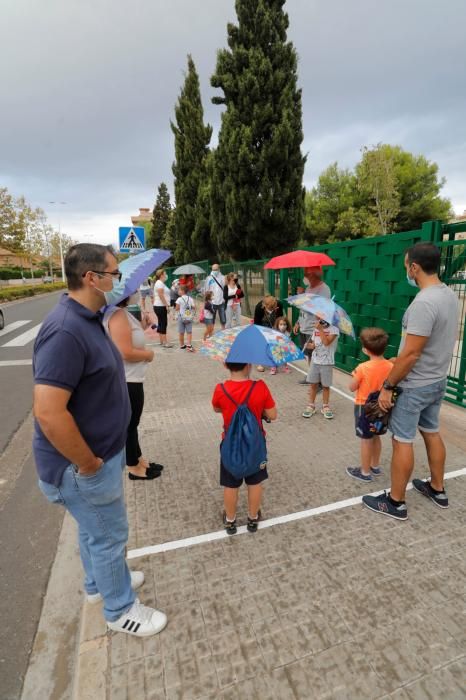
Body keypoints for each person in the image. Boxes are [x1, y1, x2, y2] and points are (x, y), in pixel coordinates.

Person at [33, 243, 167, 637]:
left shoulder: (90, 317)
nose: (118, 280)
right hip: (84, 464)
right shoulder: (64, 330)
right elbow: (48, 411)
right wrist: (88, 463)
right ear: (92, 278)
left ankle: (99, 586)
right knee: (110, 535)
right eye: (113, 273)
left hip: (99, 454)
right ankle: (120, 609)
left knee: (95, 530)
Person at [363, 243, 459, 520]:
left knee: (402, 440)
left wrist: (388, 385)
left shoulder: (424, 302)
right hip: (437, 380)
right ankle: (437, 488)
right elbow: (422, 346)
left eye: (407, 265)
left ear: (414, 267)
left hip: (414, 385)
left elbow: (414, 353)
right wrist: (401, 358)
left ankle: (395, 502)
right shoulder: (449, 296)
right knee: (431, 431)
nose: (406, 270)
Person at [212, 362, 277, 535]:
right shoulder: (260, 387)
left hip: (230, 444)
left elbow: (216, 408)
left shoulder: (220, 389)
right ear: (248, 365)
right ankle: (252, 519)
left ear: (226, 365)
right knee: (255, 482)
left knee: (230, 484)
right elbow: (273, 415)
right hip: (255, 444)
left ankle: (231, 521)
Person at [104, 297, 163, 481]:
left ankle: (138, 459)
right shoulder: (117, 314)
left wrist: (142, 325)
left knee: (133, 423)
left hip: (133, 377)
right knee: (130, 425)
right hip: (127, 379)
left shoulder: (123, 313)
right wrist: (149, 354)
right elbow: (125, 352)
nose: (137, 292)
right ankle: (133, 467)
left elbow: (128, 338)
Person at [346, 328, 393, 482]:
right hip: (382, 407)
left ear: (366, 350)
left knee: (366, 439)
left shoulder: (363, 368)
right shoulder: (390, 366)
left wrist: (354, 378)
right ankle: (375, 466)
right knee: (376, 435)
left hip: (364, 407)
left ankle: (365, 472)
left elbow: (352, 387)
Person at [294, 267, 332, 385]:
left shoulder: (324, 289)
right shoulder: (308, 288)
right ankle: (312, 377)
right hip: (304, 326)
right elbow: (303, 309)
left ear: (314, 275)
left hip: (314, 327)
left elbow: (319, 308)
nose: (305, 277)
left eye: (307, 274)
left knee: (316, 354)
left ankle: (318, 381)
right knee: (309, 354)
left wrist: (301, 296)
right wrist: (297, 322)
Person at [302, 319, 339, 419]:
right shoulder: (316, 329)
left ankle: (325, 406)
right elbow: (315, 345)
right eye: (317, 318)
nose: (318, 320)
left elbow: (326, 342)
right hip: (315, 361)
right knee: (313, 384)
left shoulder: (334, 330)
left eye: (320, 317)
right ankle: (311, 405)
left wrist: (320, 329)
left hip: (327, 362)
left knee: (325, 385)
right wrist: (309, 345)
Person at [253, 295, 284, 372]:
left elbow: (280, 318)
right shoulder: (259, 307)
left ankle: (273, 361)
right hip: (262, 324)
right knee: (262, 343)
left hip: (274, 324)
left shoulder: (279, 305)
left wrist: (278, 328)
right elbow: (257, 323)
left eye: (273, 308)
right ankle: (260, 363)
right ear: (265, 306)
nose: (271, 310)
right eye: (270, 308)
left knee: (274, 343)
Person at [152, 269, 172, 347]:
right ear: (161, 275)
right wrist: (166, 305)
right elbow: (161, 295)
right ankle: (165, 342)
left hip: (159, 306)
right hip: (160, 306)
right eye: (165, 273)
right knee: (163, 323)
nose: (166, 275)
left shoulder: (160, 283)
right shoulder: (159, 283)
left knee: (161, 323)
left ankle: (162, 341)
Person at [205, 263, 226, 328]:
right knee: (211, 319)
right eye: (213, 269)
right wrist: (207, 301)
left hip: (221, 302)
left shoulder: (223, 277)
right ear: (211, 270)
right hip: (212, 302)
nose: (215, 271)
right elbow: (206, 290)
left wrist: (224, 298)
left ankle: (224, 331)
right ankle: (211, 333)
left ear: (219, 269)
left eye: (216, 269)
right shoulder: (208, 278)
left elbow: (226, 288)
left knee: (223, 319)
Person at [176, 284, 196, 351]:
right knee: (189, 332)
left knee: (181, 332)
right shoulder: (190, 299)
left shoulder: (179, 299)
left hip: (181, 317)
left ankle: (182, 345)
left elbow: (177, 308)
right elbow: (194, 307)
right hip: (188, 317)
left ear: (182, 291)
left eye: (179, 290)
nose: (178, 291)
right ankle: (189, 345)